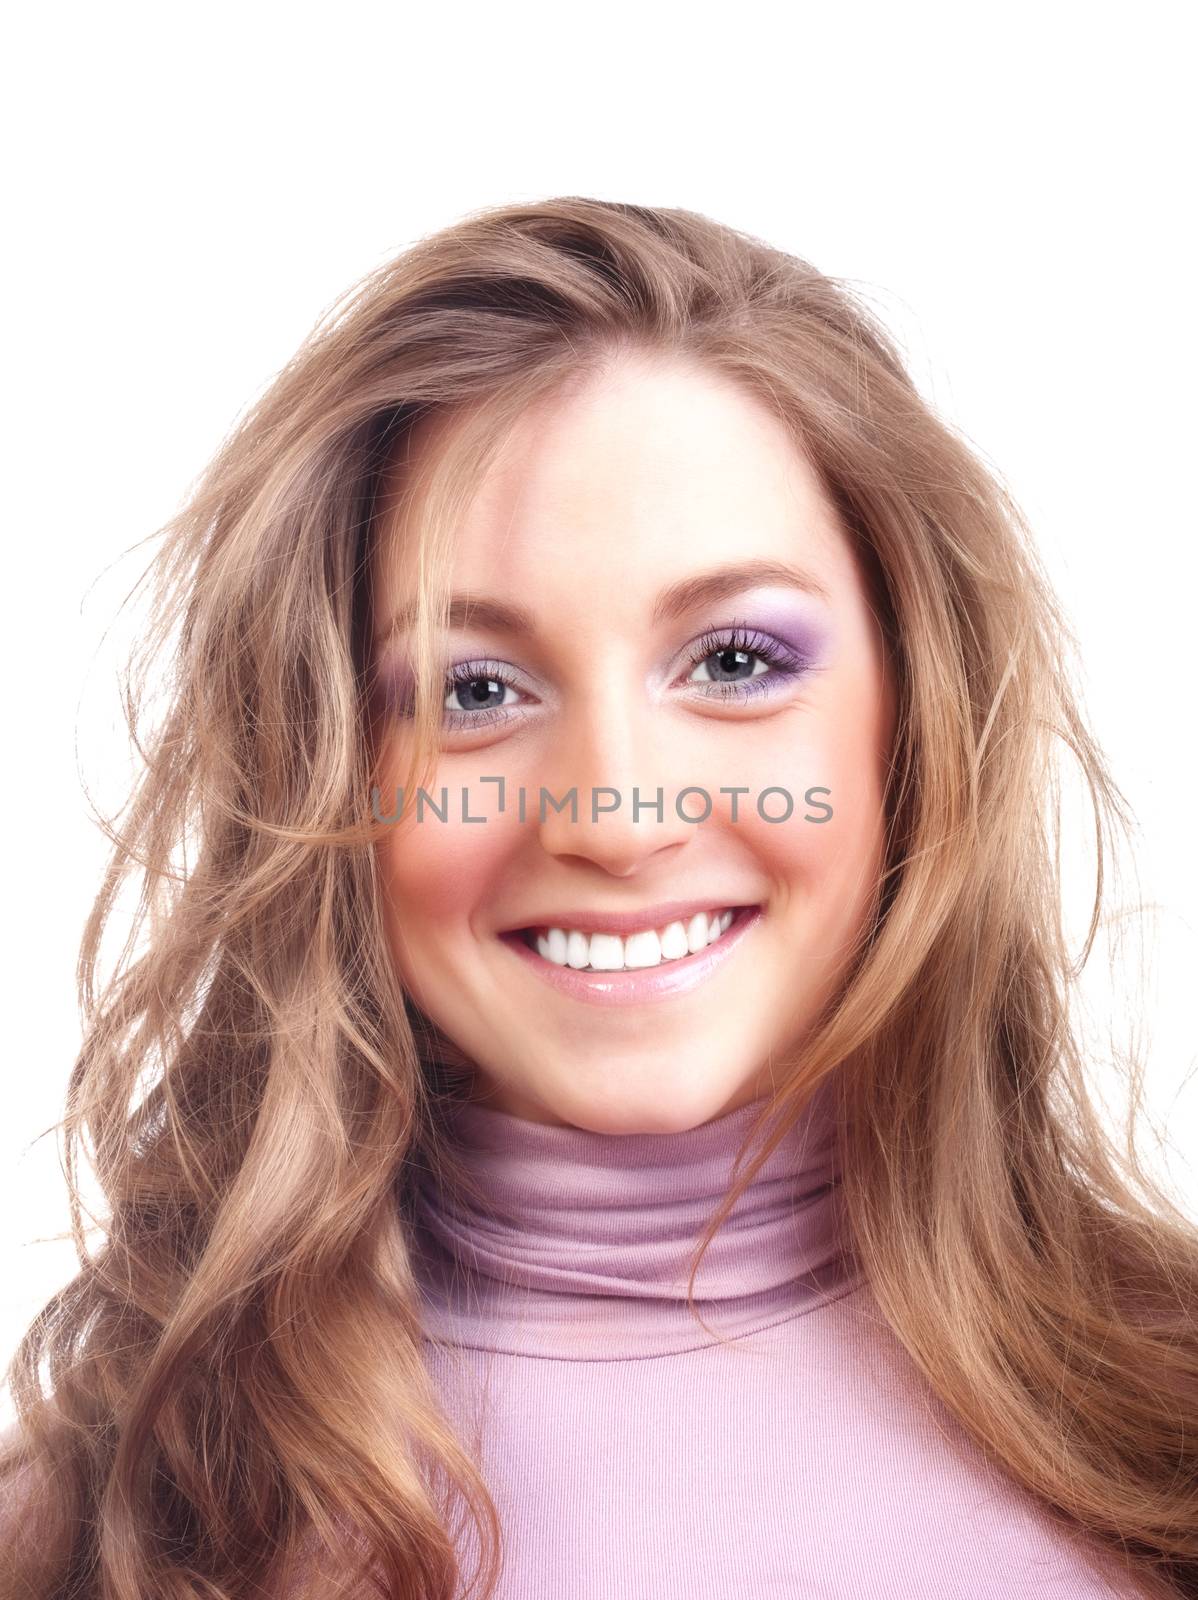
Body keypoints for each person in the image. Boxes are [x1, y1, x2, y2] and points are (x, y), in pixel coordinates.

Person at [2, 196, 1194, 1599]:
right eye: (476, 691)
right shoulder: (113, 1519)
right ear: (329, 772)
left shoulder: (1163, 1424)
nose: (616, 820)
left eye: (736, 660)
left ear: (911, 711)